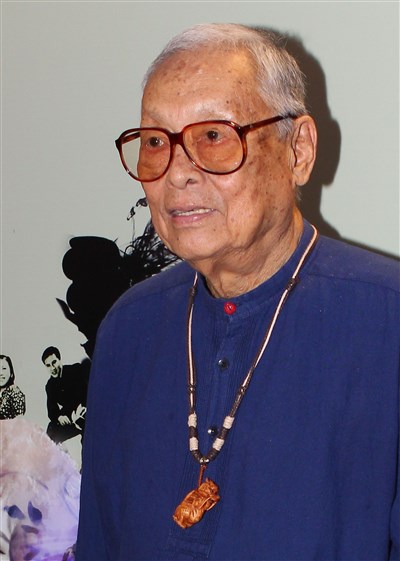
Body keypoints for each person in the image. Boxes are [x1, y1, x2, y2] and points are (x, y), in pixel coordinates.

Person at [76, 23, 399, 561]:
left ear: (298, 151)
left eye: (213, 136)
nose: (178, 173)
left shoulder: (387, 322)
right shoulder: (128, 329)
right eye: (155, 142)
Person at [41, 346, 89, 444]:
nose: (52, 368)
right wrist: (59, 417)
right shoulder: (50, 385)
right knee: (51, 430)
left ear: (59, 359)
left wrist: (81, 408)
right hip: (71, 417)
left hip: (85, 410)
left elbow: (87, 391)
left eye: (54, 362)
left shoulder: (75, 370)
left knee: (87, 438)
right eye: (48, 365)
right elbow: (51, 409)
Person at [0, 354, 26, 419]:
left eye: (4, 368)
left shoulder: (15, 392)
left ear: (11, 372)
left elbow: (19, 420)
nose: (1, 373)